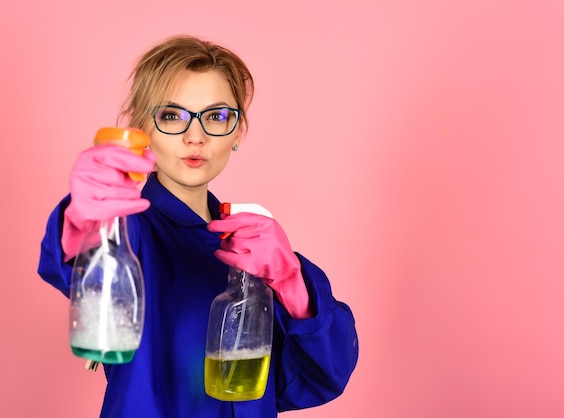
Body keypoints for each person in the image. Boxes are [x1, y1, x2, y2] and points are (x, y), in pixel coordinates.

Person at [37, 34, 358, 418]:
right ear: (143, 127)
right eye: (172, 115)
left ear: (238, 130)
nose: (196, 136)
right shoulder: (127, 231)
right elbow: (73, 261)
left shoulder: (256, 250)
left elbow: (317, 379)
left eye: (217, 116)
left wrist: (291, 282)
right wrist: (81, 220)